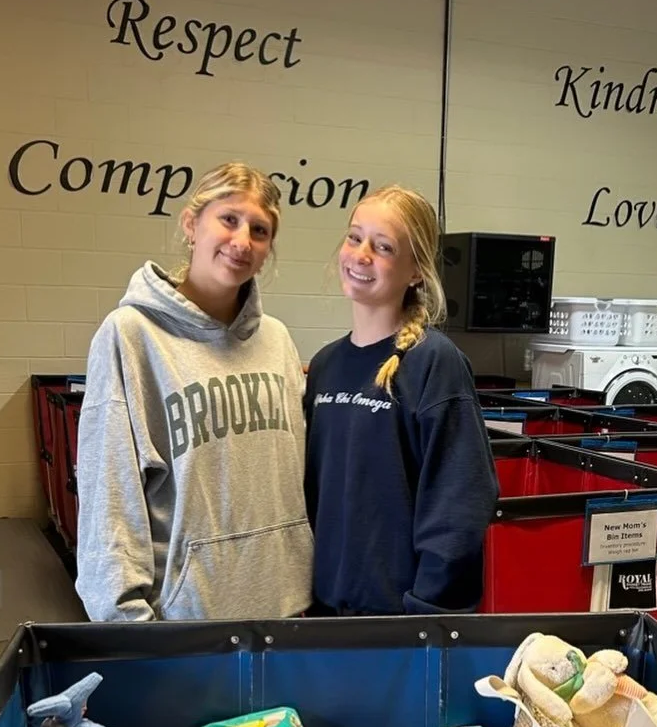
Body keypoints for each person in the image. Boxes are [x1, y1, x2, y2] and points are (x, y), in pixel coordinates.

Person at [75, 163, 313, 622]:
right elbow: (110, 494)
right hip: (185, 621)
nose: (242, 241)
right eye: (228, 219)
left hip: (288, 611)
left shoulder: (277, 340)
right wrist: (125, 626)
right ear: (191, 224)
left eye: (259, 230)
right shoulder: (131, 334)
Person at [304, 185, 498, 615]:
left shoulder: (434, 363)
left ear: (415, 272)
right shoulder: (324, 367)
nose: (361, 255)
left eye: (384, 246)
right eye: (355, 237)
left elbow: (460, 506)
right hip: (324, 618)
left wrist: (422, 614)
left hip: (401, 628)